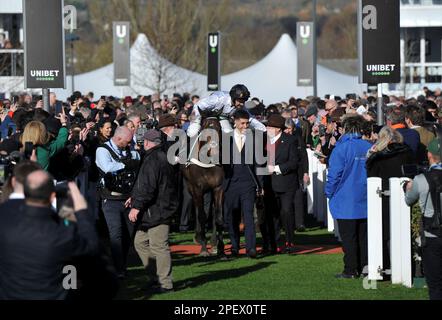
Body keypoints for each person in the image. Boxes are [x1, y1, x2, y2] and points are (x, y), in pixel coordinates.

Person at [0, 171, 98, 299]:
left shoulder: (5, 224)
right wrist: (81, 209)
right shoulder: (62, 234)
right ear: (52, 197)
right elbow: (91, 245)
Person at [128, 129, 178, 293]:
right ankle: (155, 277)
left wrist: (136, 206)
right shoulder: (160, 157)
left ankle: (165, 283)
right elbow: (144, 184)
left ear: (148, 142)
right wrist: (134, 197)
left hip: (157, 210)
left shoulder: (153, 159)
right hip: (158, 208)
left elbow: (148, 187)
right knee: (140, 242)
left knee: (159, 246)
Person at [325, 115, 372, 279]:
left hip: (345, 199)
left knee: (349, 238)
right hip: (365, 197)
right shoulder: (368, 146)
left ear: (345, 128)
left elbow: (334, 174)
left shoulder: (341, 148)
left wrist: (328, 192)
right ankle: (364, 267)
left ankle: (351, 269)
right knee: (362, 236)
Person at [366, 126, 415, 271]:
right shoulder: (408, 153)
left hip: (382, 199)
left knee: (385, 233)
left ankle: (386, 264)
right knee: (404, 231)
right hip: (406, 196)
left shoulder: (379, 157)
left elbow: (371, 177)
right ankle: (406, 266)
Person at [96, 126, 140, 278]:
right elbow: (107, 167)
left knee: (128, 234)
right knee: (116, 235)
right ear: (118, 138)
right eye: (127, 142)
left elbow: (138, 161)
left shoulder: (130, 149)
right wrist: (126, 164)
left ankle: (123, 265)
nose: (129, 145)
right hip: (111, 198)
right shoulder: (103, 150)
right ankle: (118, 268)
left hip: (128, 198)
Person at [223, 109, 264, 258]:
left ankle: (251, 248)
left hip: (248, 183)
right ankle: (234, 247)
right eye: (242, 123)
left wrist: (261, 185)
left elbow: (260, 163)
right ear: (235, 122)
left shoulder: (255, 138)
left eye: (247, 123)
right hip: (231, 183)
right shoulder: (225, 139)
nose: (245, 126)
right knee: (232, 217)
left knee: (248, 216)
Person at [405, 137, 442, 300]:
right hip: (432, 233)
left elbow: (408, 200)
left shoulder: (421, 180)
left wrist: (407, 187)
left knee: (435, 285)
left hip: (432, 235)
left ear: (429, 155)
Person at [261, 114, 299, 254]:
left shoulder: (290, 140)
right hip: (269, 184)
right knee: (271, 214)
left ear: (277, 129)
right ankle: (273, 242)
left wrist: (277, 169)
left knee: (286, 212)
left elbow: (294, 162)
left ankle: (289, 241)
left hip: (286, 183)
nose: (267, 128)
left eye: (269, 126)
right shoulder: (264, 140)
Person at [187, 84, 266, 137]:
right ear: (233, 98)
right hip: (204, 115)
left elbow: (249, 118)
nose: (242, 104)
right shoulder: (217, 99)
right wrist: (195, 123)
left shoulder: (240, 106)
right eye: (240, 101)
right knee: (193, 132)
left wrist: (263, 129)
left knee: (229, 134)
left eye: (244, 101)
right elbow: (198, 106)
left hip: (221, 117)